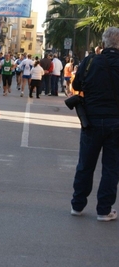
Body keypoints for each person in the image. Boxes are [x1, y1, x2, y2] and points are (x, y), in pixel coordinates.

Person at [70, 27, 119, 222]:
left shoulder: (90, 61)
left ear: (104, 42)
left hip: (90, 121)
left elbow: (76, 86)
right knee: (111, 167)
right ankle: (104, 210)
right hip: (116, 122)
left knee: (85, 164)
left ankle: (77, 205)